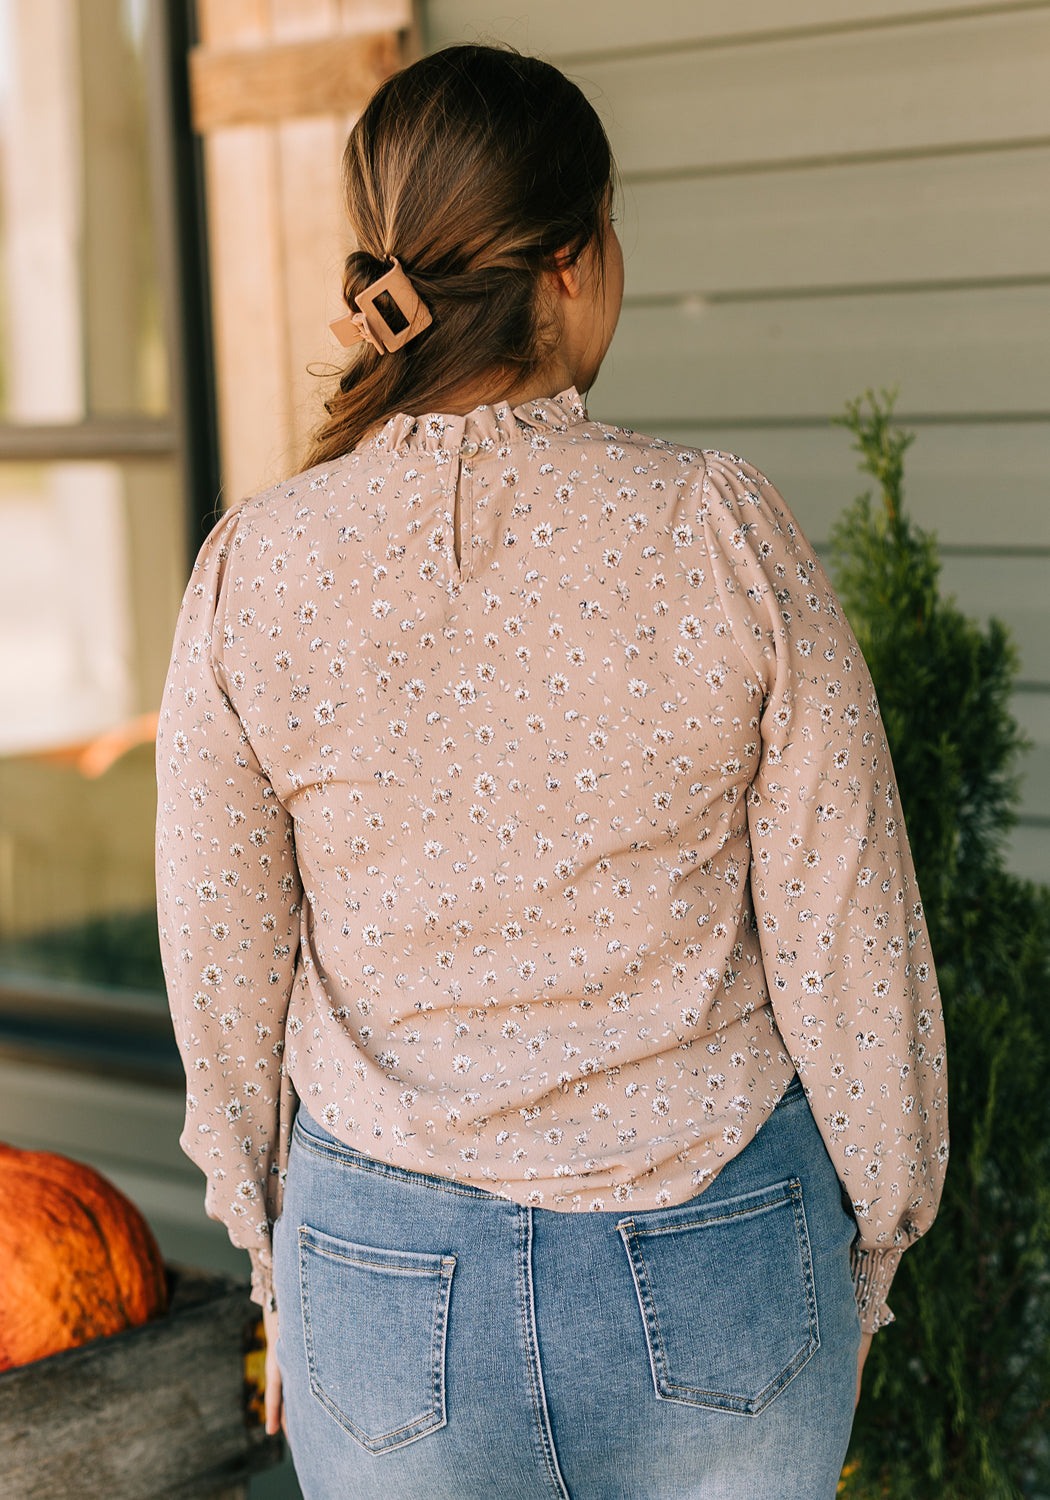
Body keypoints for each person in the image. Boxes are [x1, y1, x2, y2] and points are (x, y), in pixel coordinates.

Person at [156, 44, 948, 1500]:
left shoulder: (255, 567)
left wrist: (278, 1255)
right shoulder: (718, 531)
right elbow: (856, 941)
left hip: (381, 1284)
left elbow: (223, 973)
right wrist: (881, 1236)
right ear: (574, 264)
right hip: (718, 1253)